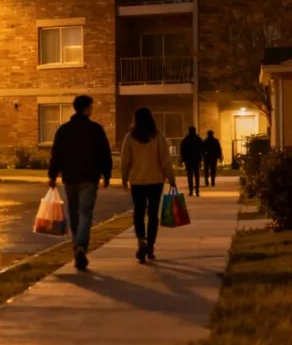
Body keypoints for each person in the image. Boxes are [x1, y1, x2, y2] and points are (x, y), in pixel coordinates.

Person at [48, 95, 113, 271]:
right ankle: (81, 247)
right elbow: (104, 154)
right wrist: (106, 175)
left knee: (74, 213)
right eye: (91, 106)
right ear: (87, 108)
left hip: (70, 178)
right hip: (89, 178)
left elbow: (56, 155)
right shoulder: (96, 130)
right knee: (85, 213)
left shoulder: (64, 130)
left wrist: (52, 176)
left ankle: (77, 244)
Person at [121, 107, 177, 264]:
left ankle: (141, 240)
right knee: (153, 214)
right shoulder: (158, 137)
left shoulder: (130, 137)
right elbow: (165, 161)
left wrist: (124, 178)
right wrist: (171, 178)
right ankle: (150, 246)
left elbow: (125, 161)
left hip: (137, 181)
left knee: (138, 212)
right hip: (156, 181)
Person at [179, 126, 204, 196]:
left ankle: (191, 190)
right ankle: (197, 190)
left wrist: (183, 159)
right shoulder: (198, 139)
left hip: (188, 160)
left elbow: (182, 150)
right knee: (197, 176)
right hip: (196, 160)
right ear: (195, 131)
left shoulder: (186, 139)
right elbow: (203, 148)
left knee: (190, 176)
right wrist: (201, 158)